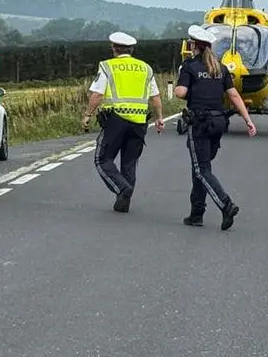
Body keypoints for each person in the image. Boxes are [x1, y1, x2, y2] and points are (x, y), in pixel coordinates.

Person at [175, 25, 255, 230]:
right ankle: (196, 214)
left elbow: (181, 93)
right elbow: (234, 95)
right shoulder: (221, 67)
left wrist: (178, 86)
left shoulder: (189, 66)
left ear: (193, 45)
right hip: (219, 123)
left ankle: (226, 204)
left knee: (201, 170)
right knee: (201, 169)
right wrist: (248, 120)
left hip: (200, 123)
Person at [83, 32, 163, 213]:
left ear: (114, 48)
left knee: (102, 159)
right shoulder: (146, 68)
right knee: (129, 163)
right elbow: (155, 97)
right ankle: (124, 201)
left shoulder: (107, 66)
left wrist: (88, 114)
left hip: (115, 120)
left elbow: (97, 94)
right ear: (132, 49)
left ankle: (122, 189)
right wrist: (159, 118)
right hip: (140, 122)